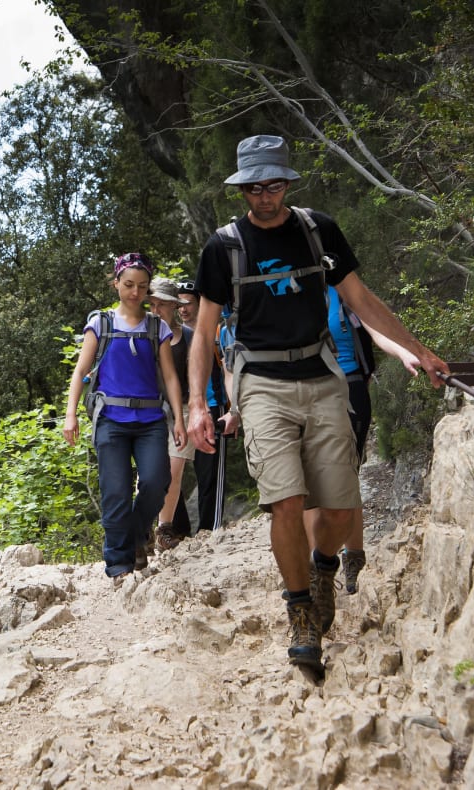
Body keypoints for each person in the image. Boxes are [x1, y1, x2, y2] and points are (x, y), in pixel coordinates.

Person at [187, 134, 448, 672]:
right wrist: (196, 403)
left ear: (286, 182)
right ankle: (301, 610)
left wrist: (417, 350)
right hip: (259, 380)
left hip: (323, 375)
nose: (266, 196)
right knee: (286, 501)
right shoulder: (223, 248)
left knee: (335, 507)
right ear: (243, 191)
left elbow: (361, 300)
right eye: (256, 187)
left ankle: (324, 567)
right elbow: (205, 331)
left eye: (275, 184)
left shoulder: (316, 230)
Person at [63, 253, 186, 586]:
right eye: (129, 285)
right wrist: (70, 414)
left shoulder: (156, 326)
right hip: (111, 420)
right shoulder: (100, 323)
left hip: (150, 419)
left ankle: (136, 535)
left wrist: (178, 418)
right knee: (115, 492)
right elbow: (80, 371)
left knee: (156, 481)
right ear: (116, 283)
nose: (135, 292)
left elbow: (171, 377)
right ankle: (119, 563)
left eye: (142, 287)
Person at [303, 285, 422, 594]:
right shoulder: (283, 290)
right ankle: (317, 568)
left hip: (349, 388)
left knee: (344, 477)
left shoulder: (340, 290)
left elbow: (375, 326)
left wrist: (406, 351)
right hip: (304, 393)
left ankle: (353, 558)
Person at [176, 280, 229, 533]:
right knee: (170, 473)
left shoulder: (216, 334)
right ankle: (179, 532)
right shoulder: (172, 337)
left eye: (188, 303)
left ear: (199, 304)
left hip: (213, 408)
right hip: (182, 412)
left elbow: (229, 370)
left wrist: (233, 409)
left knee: (209, 476)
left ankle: (209, 532)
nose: (183, 308)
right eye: (179, 304)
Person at [147, 277, 195, 552]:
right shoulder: (141, 335)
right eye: (152, 304)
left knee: (174, 471)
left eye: (162, 305)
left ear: (174, 306)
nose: (156, 310)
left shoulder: (189, 336)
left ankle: (164, 528)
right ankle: (143, 529)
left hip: (184, 408)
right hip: (150, 410)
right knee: (149, 474)